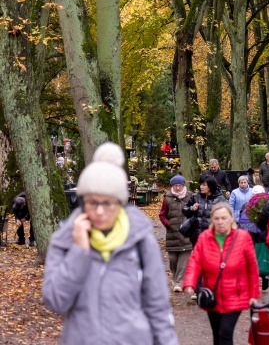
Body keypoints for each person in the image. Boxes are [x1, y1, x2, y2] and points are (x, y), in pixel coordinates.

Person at [43, 142, 178, 345]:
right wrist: (79, 251)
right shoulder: (65, 239)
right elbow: (55, 300)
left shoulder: (139, 238)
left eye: (107, 203)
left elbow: (157, 304)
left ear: (120, 203)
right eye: (92, 202)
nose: (99, 211)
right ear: (82, 201)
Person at [184, 203, 260, 345]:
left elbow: (252, 268)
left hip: (235, 294)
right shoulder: (204, 237)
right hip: (212, 294)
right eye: (217, 218)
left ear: (231, 218)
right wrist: (189, 282)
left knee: (225, 333)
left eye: (224, 218)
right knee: (217, 335)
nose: (220, 222)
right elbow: (195, 261)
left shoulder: (243, 238)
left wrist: (254, 294)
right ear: (212, 220)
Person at [159, 175, 194, 292]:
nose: (177, 188)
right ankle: (175, 278)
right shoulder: (167, 198)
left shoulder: (190, 196)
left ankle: (178, 282)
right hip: (172, 234)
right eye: (175, 185)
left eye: (179, 185)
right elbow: (162, 214)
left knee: (183, 261)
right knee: (172, 259)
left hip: (186, 234)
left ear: (183, 185)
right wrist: (168, 224)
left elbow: (194, 211)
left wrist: (191, 224)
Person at [182, 176, 227, 247]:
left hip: (214, 236)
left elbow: (227, 216)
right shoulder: (196, 197)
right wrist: (192, 208)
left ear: (211, 186)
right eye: (200, 184)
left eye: (204, 185)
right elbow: (185, 210)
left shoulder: (220, 199)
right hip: (197, 236)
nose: (201, 187)